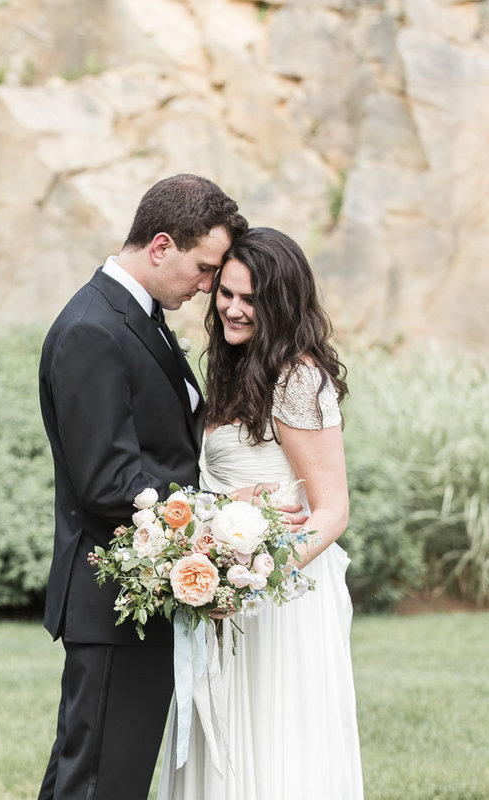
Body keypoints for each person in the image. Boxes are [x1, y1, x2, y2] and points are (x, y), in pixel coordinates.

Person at [37, 174, 249, 799]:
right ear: (161, 246)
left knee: (93, 773)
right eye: (205, 268)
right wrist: (214, 522)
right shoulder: (92, 330)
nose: (208, 286)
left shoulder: (138, 317)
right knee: (102, 781)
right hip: (114, 595)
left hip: (141, 587)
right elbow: (108, 482)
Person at [158, 226, 364, 798]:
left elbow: (332, 510)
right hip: (225, 585)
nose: (232, 308)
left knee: (277, 742)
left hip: (279, 597)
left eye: (251, 299)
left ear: (281, 304)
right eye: (225, 292)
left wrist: (254, 581)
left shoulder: (298, 379)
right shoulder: (233, 369)